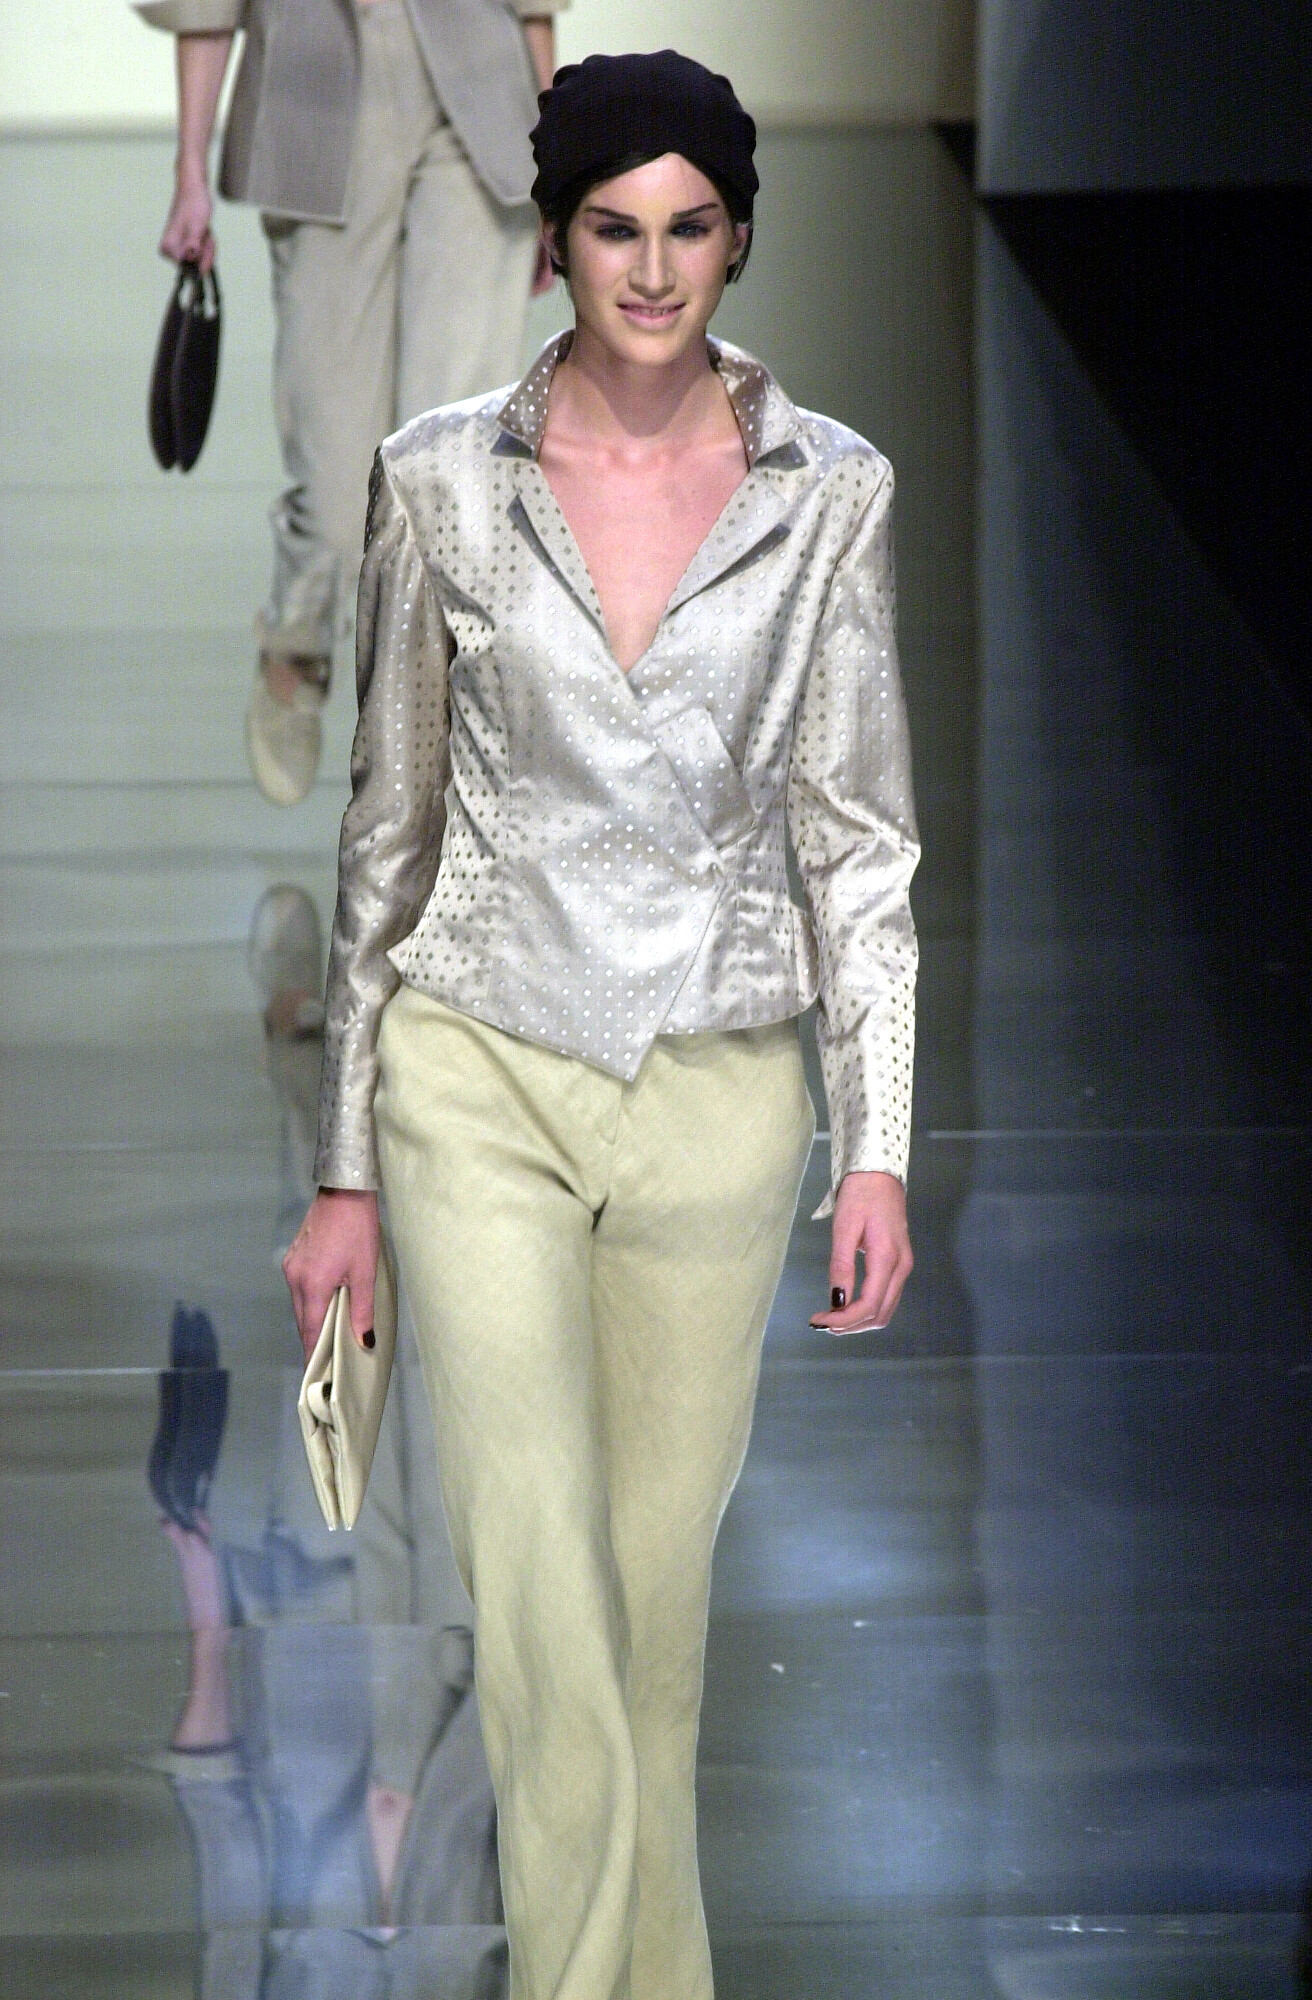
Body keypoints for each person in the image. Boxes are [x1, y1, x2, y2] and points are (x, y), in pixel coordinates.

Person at [284, 48, 919, 2000]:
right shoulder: (438, 481)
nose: (652, 270)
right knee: (539, 1592)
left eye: (689, 227)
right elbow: (383, 837)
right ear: (553, 242)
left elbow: (857, 840)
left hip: (716, 1099)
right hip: (475, 1074)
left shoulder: (828, 495)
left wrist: (878, 1143)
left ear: (736, 239)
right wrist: (346, 1170)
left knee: (648, 1617)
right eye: (612, 228)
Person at [137, 0, 566, 804]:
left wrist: (559, 167)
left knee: (455, 461)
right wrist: (188, 166)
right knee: (338, 490)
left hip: (480, 96)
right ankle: (298, 634)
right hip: (314, 95)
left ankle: (434, 720)